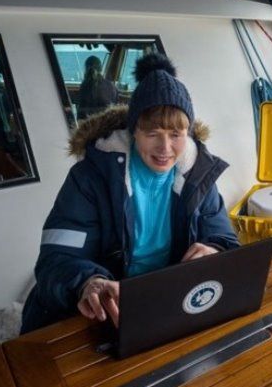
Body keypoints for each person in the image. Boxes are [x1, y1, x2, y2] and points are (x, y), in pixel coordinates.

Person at [21, 53, 240, 333]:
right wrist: (89, 282)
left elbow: (225, 239)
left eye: (175, 134)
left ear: (188, 133)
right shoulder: (90, 177)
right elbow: (55, 260)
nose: (165, 148)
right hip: (98, 314)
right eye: (152, 133)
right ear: (133, 130)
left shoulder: (199, 175)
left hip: (166, 306)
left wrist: (215, 250)